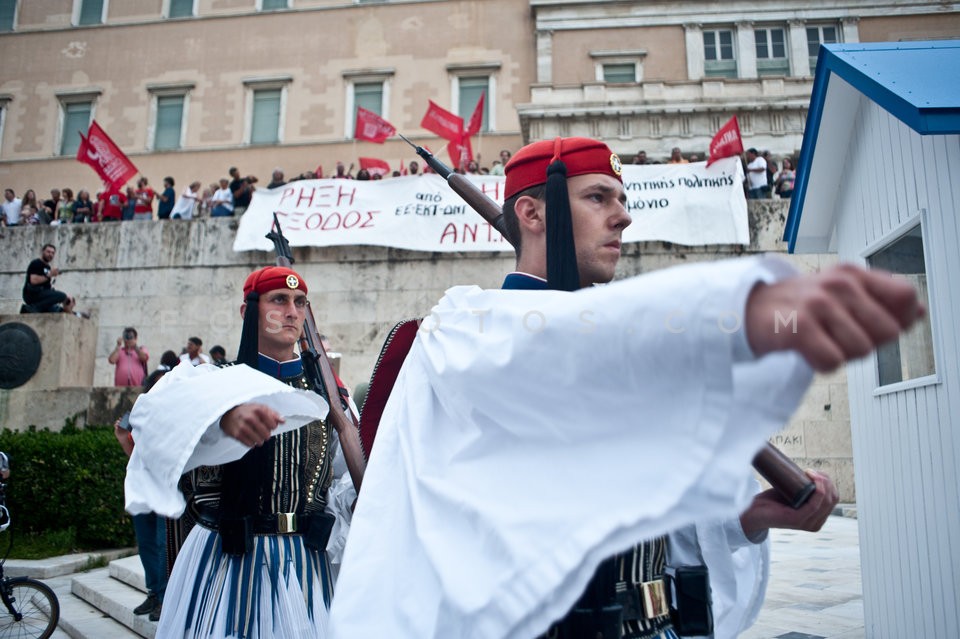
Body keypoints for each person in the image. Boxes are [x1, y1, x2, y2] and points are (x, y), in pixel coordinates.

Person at [327, 137, 922, 637]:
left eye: (623, 198)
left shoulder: (634, 345)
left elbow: (657, 525)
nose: (624, 215)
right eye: (597, 198)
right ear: (532, 215)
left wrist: (749, 517)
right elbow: (414, 533)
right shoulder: (451, 345)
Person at [124, 266, 362, 638]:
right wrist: (222, 418)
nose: (292, 312)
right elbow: (151, 419)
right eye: (279, 300)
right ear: (247, 311)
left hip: (306, 564)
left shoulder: (331, 399)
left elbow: (345, 481)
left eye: (300, 303)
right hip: (228, 560)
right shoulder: (212, 382)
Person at [114, 360, 172, 623]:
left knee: (163, 544)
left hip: (165, 489)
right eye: (157, 384)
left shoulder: (177, 416)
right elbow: (135, 456)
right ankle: (153, 592)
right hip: (142, 488)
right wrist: (122, 438)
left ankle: (164, 597)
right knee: (147, 543)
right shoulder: (141, 415)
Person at [22, 243, 78, 314]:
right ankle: (34, 308)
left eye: (52, 253)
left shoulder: (48, 267)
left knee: (57, 309)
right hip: (32, 294)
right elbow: (33, 281)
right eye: (48, 252)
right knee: (61, 295)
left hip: (42, 296)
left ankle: (78, 314)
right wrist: (50, 275)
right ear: (43, 251)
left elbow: (47, 287)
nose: (50, 254)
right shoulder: (36, 263)